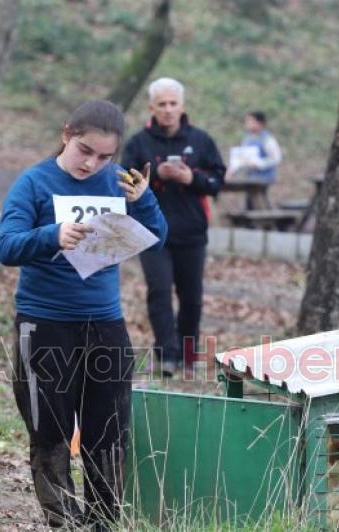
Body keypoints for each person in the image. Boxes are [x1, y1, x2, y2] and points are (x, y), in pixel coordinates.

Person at [0, 100, 167, 528]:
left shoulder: (119, 183)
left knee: (108, 433)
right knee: (50, 431)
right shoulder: (33, 184)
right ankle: (64, 523)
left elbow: (158, 238)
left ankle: (104, 523)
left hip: (105, 324)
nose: (93, 164)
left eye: (105, 157)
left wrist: (143, 202)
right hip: (45, 324)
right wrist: (52, 235)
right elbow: (7, 246)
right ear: (66, 134)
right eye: (85, 151)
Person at [121, 77, 226, 376]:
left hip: (192, 233)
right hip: (151, 234)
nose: (167, 110)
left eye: (173, 104)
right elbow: (123, 184)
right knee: (159, 290)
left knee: (191, 296)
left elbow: (219, 181)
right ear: (151, 107)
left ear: (182, 106)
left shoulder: (201, 141)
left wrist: (190, 178)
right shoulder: (138, 143)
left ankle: (189, 355)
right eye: (162, 104)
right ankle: (167, 355)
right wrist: (154, 179)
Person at [228, 111, 282, 184]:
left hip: (265, 178)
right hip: (251, 178)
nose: (247, 124)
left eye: (250, 121)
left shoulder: (267, 139)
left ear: (260, 123)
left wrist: (259, 163)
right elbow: (242, 157)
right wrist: (232, 170)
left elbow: (276, 158)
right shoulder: (247, 139)